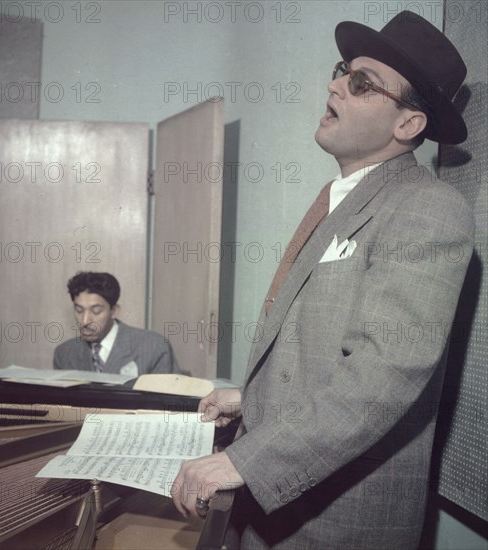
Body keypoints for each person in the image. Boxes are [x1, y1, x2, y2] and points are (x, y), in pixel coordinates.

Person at [171, 11, 475, 549]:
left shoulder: (429, 209)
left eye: (361, 83)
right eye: (342, 70)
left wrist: (245, 460)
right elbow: (325, 349)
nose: (335, 83)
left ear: (408, 125)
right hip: (274, 513)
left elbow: (385, 372)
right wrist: (252, 397)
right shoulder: (343, 198)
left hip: (334, 525)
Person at [54, 271, 179, 377]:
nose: (85, 321)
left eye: (96, 311)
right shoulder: (64, 354)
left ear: (114, 311)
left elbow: (167, 403)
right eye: (79, 310)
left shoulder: (154, 347)